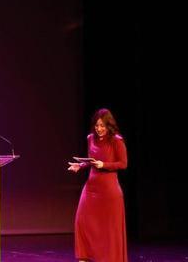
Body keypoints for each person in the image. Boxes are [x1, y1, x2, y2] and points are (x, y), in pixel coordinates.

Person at [68, 108, 128, 262]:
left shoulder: (116, 140)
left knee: (108, 231)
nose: (99, 129)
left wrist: (104, 164)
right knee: (82, 222)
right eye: (96, 125)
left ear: (108, 125)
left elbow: (123, 164)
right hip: (91, 188)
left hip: (109, 191)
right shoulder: (91, 138)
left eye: (102, 126)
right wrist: (80, 166)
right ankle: (85, 257)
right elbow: (92, 161)